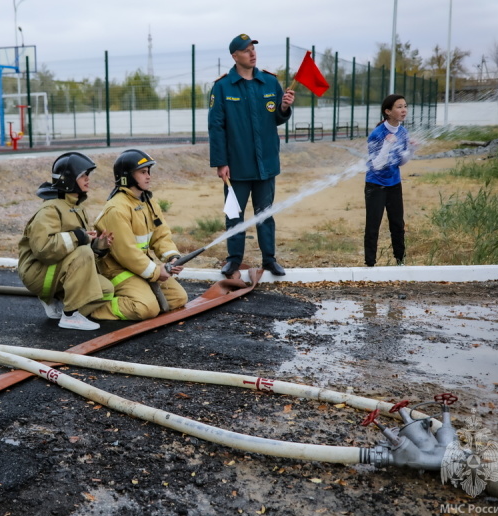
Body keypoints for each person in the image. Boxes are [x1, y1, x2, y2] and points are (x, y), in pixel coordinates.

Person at [208, 33, 295, 278]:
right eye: (246, 50)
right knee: (234, 215)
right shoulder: (222, 87)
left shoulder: (269, 82)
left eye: (253, 49)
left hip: (266, 163)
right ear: (235, 56)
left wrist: (285, 107)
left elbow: (277, 118)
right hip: (236, 166)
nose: (252, 53)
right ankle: (234, 260)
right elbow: (216, 127)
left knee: (265, 215)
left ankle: (270, 260)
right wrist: (220, 162)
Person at [18, 152, 115, 331]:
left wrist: (98, 247)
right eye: (83, 176)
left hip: (54, 269)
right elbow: (44, 249)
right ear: (67, 179)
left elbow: (76, 250)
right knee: (84, 253)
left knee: (106, 290)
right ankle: (70, 315)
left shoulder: (76, 207)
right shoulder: (50, 209)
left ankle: (59, 303)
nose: (88, 180)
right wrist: (79, 236)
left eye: (88, 175)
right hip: (37, 273)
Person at [91, 149, 188, 321]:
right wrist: (156, 273)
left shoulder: (147, 202)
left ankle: (140, 296)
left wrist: (172, 257)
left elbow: (161, 235)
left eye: (149, 171)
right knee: (145, 308)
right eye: (143, 172)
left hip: (140, 267)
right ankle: (93, 308)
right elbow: (126, 253)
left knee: (178, 298)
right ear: (126, 176)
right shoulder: (116, 209)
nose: (148, 176)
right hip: (118, 271)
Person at [364, 94, 412, 267]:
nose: (403, 110)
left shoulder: (403, 132)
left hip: (394, 183)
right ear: (388, 111)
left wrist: (410, 150)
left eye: (405, 106)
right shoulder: (377, 134)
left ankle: (400, 261)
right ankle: (370, 263)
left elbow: (401, 162)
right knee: (373, 225)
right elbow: (376, 164)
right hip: (375, 185)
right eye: (399, 107)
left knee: (398, 224)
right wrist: (387, 145)